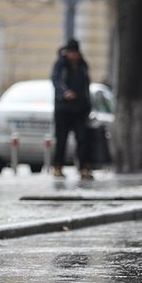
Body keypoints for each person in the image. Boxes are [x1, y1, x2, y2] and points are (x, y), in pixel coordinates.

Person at [51, 39, 92, 180]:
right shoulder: (61, 64)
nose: (73, 55)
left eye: (75, 52)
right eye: (71, 52)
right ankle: (58, 167)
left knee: (83, 139)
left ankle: (84, 168)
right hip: (63, 109)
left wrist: (88, 105)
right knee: (61, 139)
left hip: (80, 109)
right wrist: (65, 92)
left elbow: (86, 85)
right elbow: (56, 80)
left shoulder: (83, 65)